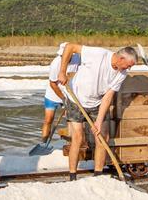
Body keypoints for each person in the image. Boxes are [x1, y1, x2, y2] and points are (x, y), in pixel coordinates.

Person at [57, 44, 138, 180]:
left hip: (97, 103)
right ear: (121, 58)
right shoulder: (98, 54)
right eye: (128, 65)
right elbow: (70, 47)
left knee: (102, 137)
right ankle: (72, 176)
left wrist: (99, 122)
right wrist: (62, 71)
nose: (128, 69)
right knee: (78, 137)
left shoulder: (122, 73)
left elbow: (108, 96)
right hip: (75, 99)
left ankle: (98, 175)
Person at [41, 43, 81, 144]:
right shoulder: (55, 64)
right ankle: (44, 142)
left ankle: (71, 143)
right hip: (53, 94)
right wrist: (63, 98)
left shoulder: (77, 58)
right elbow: (53, 84)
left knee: (71, 119)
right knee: (48, 119)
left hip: (69, 93)